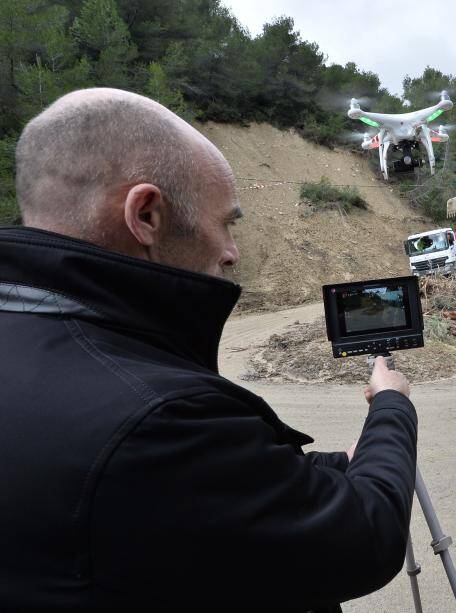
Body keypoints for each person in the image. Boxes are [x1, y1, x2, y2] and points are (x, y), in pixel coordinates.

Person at [0, 88, 418, 612]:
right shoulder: (161, 416)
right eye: (225, 222)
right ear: (147, 215)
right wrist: (391, 408)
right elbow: (364, 539)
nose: (230, 251)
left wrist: (333, 465)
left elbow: (191, 493)